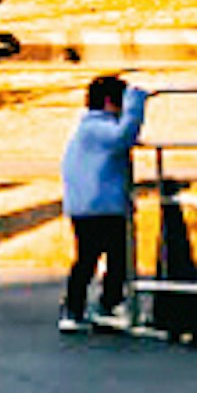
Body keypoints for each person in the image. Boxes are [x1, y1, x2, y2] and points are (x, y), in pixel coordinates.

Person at [57, 67, 146, 329]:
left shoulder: (88, 129)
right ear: (110, 102)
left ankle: (81, 308)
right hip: (100, 206)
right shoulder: (96, 128)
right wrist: (137, 104)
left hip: (89, 205)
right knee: (110, 257)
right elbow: (123, 136)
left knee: (91, 257)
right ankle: (100, 305)